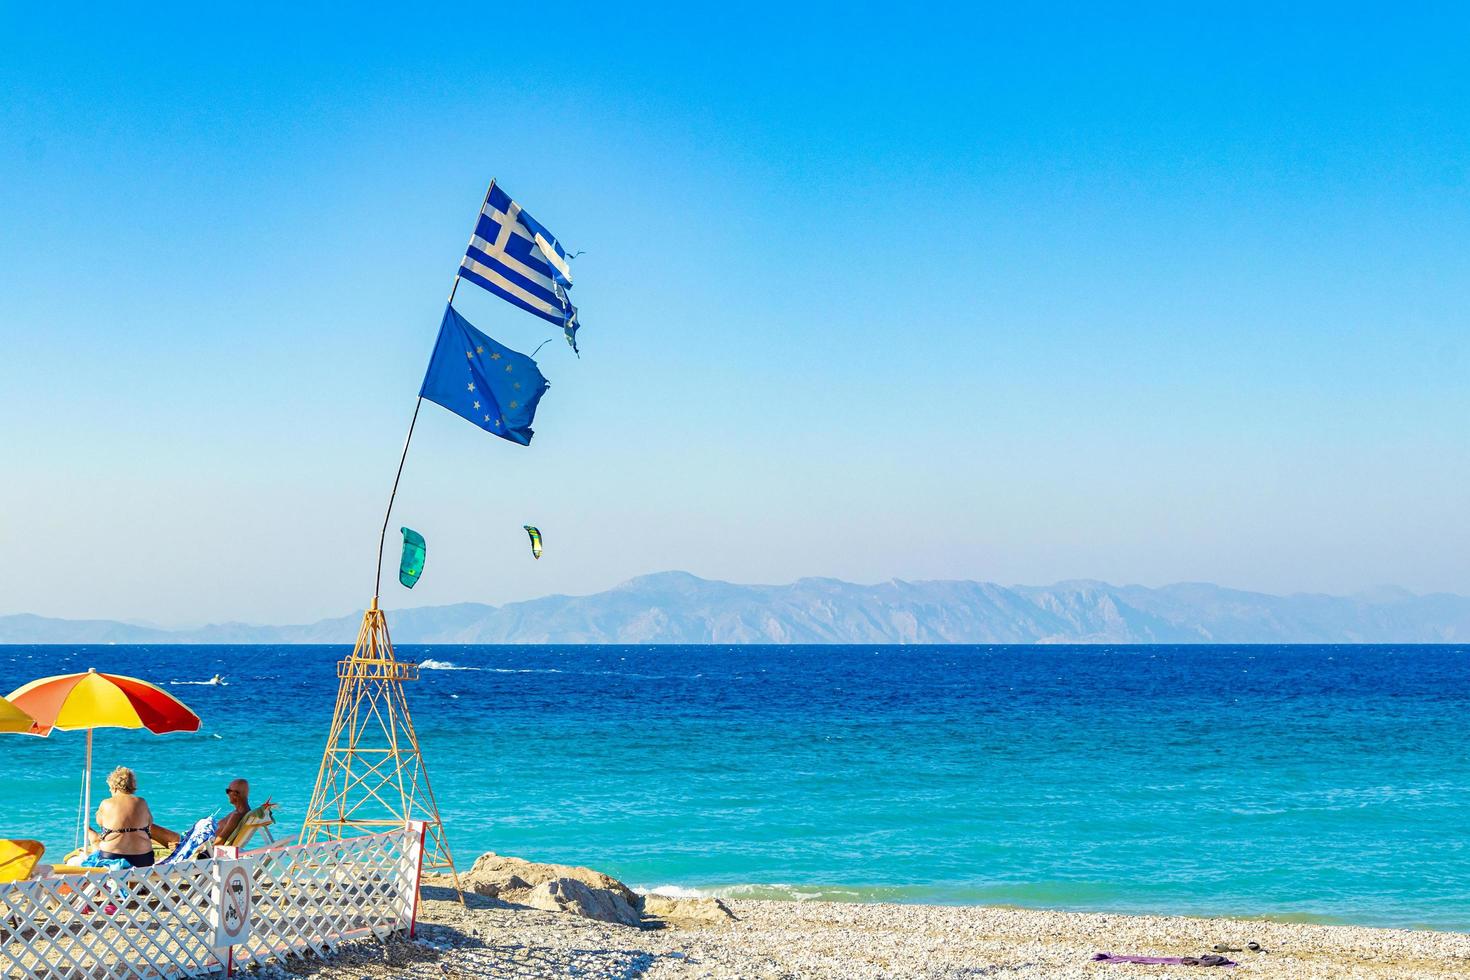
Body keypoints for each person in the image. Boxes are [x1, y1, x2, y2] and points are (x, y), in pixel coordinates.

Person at [86, 766, 177, 868]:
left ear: (114, 787)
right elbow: (149, 822)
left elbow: (100, 822)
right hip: (142, 860)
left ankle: (91, 834)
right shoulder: (142, 802)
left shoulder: (106, 803)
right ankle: (134, 883)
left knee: (98, 841)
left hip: (112, 857)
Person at [216, 778, 252, 844]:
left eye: (228, 791)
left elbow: (220, 841)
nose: (227, 794)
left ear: (235, 794)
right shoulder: (246, 812)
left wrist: (200, 849)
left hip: (208, 848)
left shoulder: (237, 815)